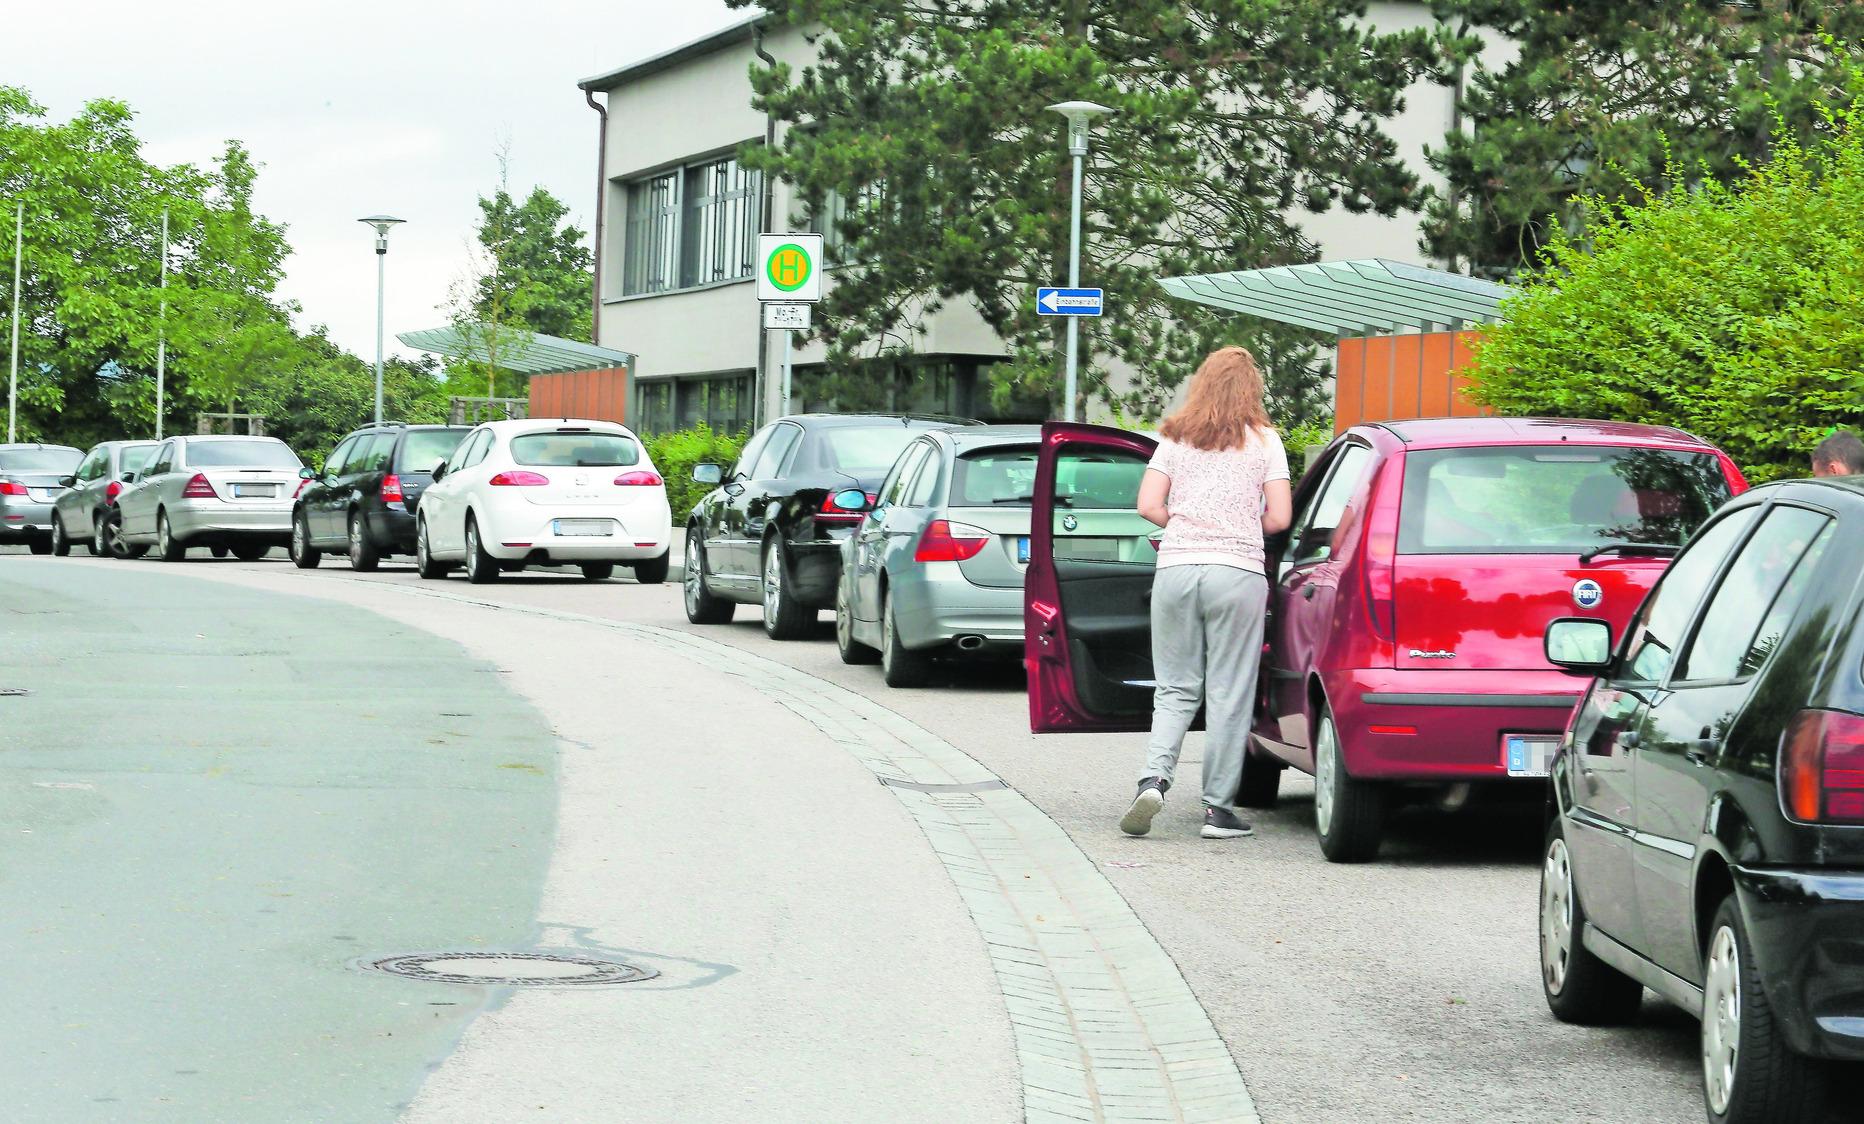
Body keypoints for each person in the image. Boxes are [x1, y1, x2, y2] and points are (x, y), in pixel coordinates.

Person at [1120, 346, 1293, 840]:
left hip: (1176, 570)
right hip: (1236, 571)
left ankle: (1153, 780)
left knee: (1174, 688)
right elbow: (1279, 517)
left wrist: (1187, 524)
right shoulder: (1264, 441)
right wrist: (1235, 526)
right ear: (1252, 390)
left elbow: (1147, 504)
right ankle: (1217, 810)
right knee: (1227, 693)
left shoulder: (1175, 436)